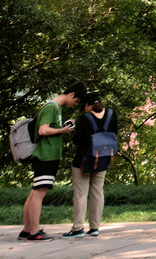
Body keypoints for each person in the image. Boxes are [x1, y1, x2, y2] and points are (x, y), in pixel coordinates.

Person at [19, 82, 85, 241]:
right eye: (76, 101)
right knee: (39, 193)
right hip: (46, 155)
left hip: (46, 155)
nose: (74, 104)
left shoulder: (55, 108)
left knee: (35, 191)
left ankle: (27, 230)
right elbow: (43, 130)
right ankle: (34, 231)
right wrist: (63, 130)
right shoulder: (51, 107)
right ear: (72, 94)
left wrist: (62, 127)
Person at [62, 92, 118, 238]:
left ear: (88, 105)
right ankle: (95, 227)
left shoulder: (84, 119)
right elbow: (114, 133)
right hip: (103, 159)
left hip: (83, 161)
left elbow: (77, 141)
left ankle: (78, 228)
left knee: (81, 194)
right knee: (97, 192)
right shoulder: (112, 115)